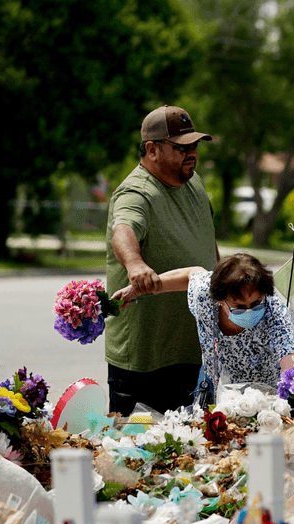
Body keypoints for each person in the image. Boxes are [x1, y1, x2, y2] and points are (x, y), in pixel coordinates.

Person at [105, 105, 219, 415]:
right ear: (152, 150)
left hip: (192, 350)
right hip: (145, 359)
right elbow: (124, 229)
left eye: (194, 145)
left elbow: (208, 243)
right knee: (134, 457)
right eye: (181, 147)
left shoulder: (192, 183)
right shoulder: (136, 192)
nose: (191, 153)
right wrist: (135, 265)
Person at [112, 254, 294, 398]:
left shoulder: (275, 314)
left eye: (256, 303)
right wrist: (137, 290)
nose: (249, 311)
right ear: (220, 300)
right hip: (218, 380)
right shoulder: (205, 295)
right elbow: (191, 274)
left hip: (268, 393)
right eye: (240, 306)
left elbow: (290, 363)